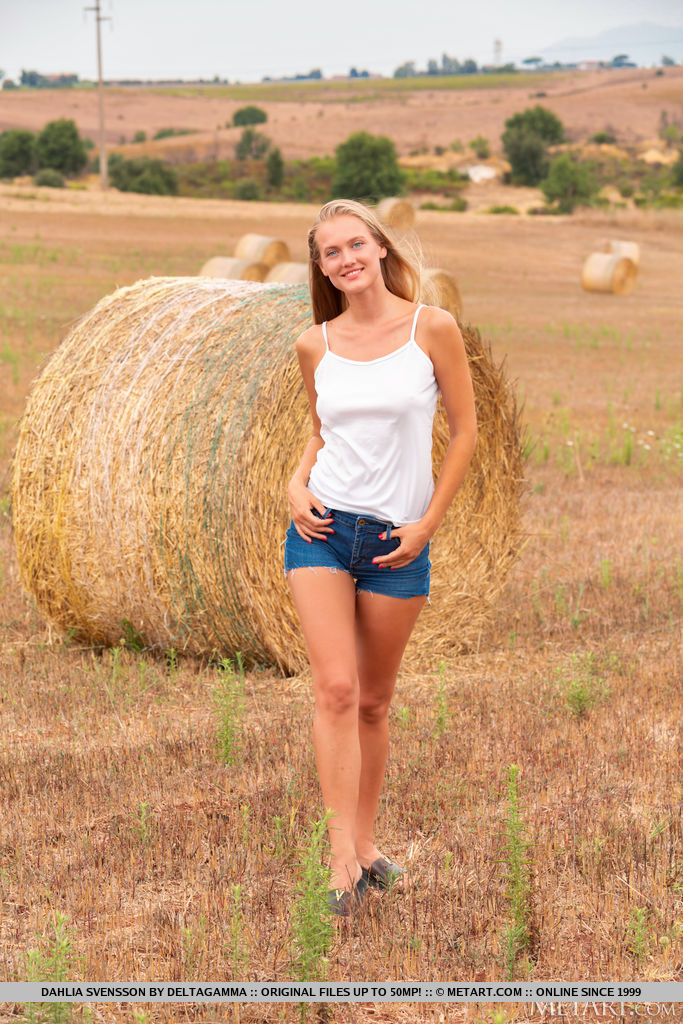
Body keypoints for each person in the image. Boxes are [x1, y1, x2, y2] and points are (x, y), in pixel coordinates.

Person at [284, 199, 477, 916]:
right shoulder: (314, 344)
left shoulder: (432, 328)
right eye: (331, 252)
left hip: (399, 540)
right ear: (321, 267)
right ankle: (340, 859)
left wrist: (426, 525)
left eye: (355, 244)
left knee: (372, 701)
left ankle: (366, 846)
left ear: (381, 247)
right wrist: (293, 482)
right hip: (323, 532)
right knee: (335, 689)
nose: (346, 260)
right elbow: (320, 432)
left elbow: (465, 432)